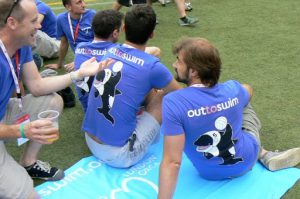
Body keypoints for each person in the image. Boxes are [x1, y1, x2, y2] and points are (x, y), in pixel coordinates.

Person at [158, 37, 300, 199]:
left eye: (179, 61)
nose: (174, 65)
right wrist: (226, 104)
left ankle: (263, 153)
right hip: (246, 160)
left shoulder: (173, 102)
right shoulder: (232, 89)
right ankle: (264, 153)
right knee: (243, 102)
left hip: (209, 173)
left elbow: (173, 162)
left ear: (194, 71)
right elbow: (248, 89)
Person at [0, 0, 108, 198]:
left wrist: (78, 74)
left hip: (3, 116)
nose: (39, 25)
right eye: (33, 21)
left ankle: (28, 163)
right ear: (12, 23)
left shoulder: (20, 44)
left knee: (52, 101)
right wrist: (21, 130)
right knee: (27, 194)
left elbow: (37, 85)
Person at [82, 5, 181, 168]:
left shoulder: (110, 50)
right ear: (152, 34)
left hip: (90, 140)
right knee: (166, 96)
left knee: (143, 85)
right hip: (118, 155)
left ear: (124, 28)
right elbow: (180, 95)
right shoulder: (152, 66)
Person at [74, 9, 123, 112]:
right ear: (115, 33)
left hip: (88, 110)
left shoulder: (80, 47)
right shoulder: (120, 51)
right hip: (112, 109)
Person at [45, 0, 95, 71]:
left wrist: (81, 60)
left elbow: (100, 42)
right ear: (68, 7)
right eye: (79, 2)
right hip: (80, 56)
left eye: (83, 1)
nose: (84, 5)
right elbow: (64, 43)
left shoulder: (92, 15)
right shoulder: (61, 19)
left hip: (95, 55)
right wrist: (59, 64)